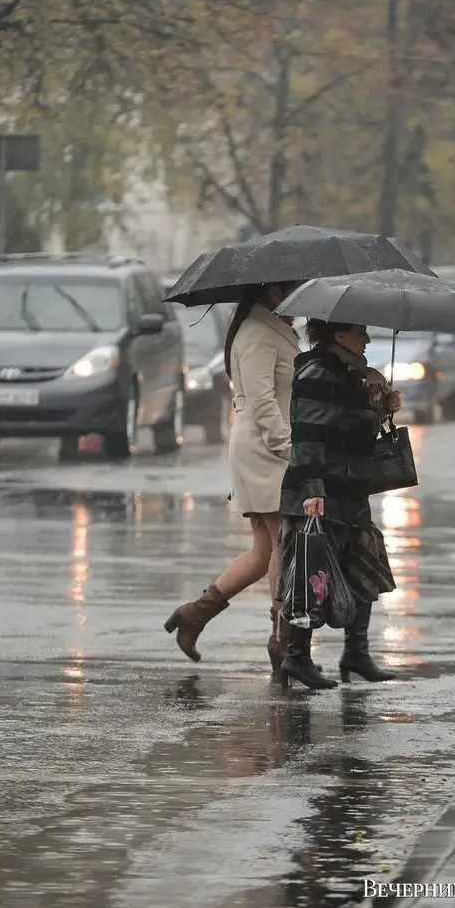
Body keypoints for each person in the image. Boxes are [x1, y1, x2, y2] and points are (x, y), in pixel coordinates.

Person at [164, 282, 304, 670]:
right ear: (275, 292)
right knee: (283, 543)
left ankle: (195, 615)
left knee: (264, 550)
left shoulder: (270, 327)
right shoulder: (258, 332)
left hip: (263, 443)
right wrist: (288, 448)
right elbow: (261, 402)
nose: (301, 302)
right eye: (294, 292)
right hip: (265, 446)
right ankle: (283, 640)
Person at [276, 319, 401, 690]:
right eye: (360, 330)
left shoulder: (349, 373)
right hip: (321, 490)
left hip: (349, 488)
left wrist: (381, 410)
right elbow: (309, 435)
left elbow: (348, 428)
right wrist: (313, 489)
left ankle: (356, 654)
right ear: (339, 334)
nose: (367, 337)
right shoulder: (317, 372)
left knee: (362, 564)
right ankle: (296, 657)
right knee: (310, 572)